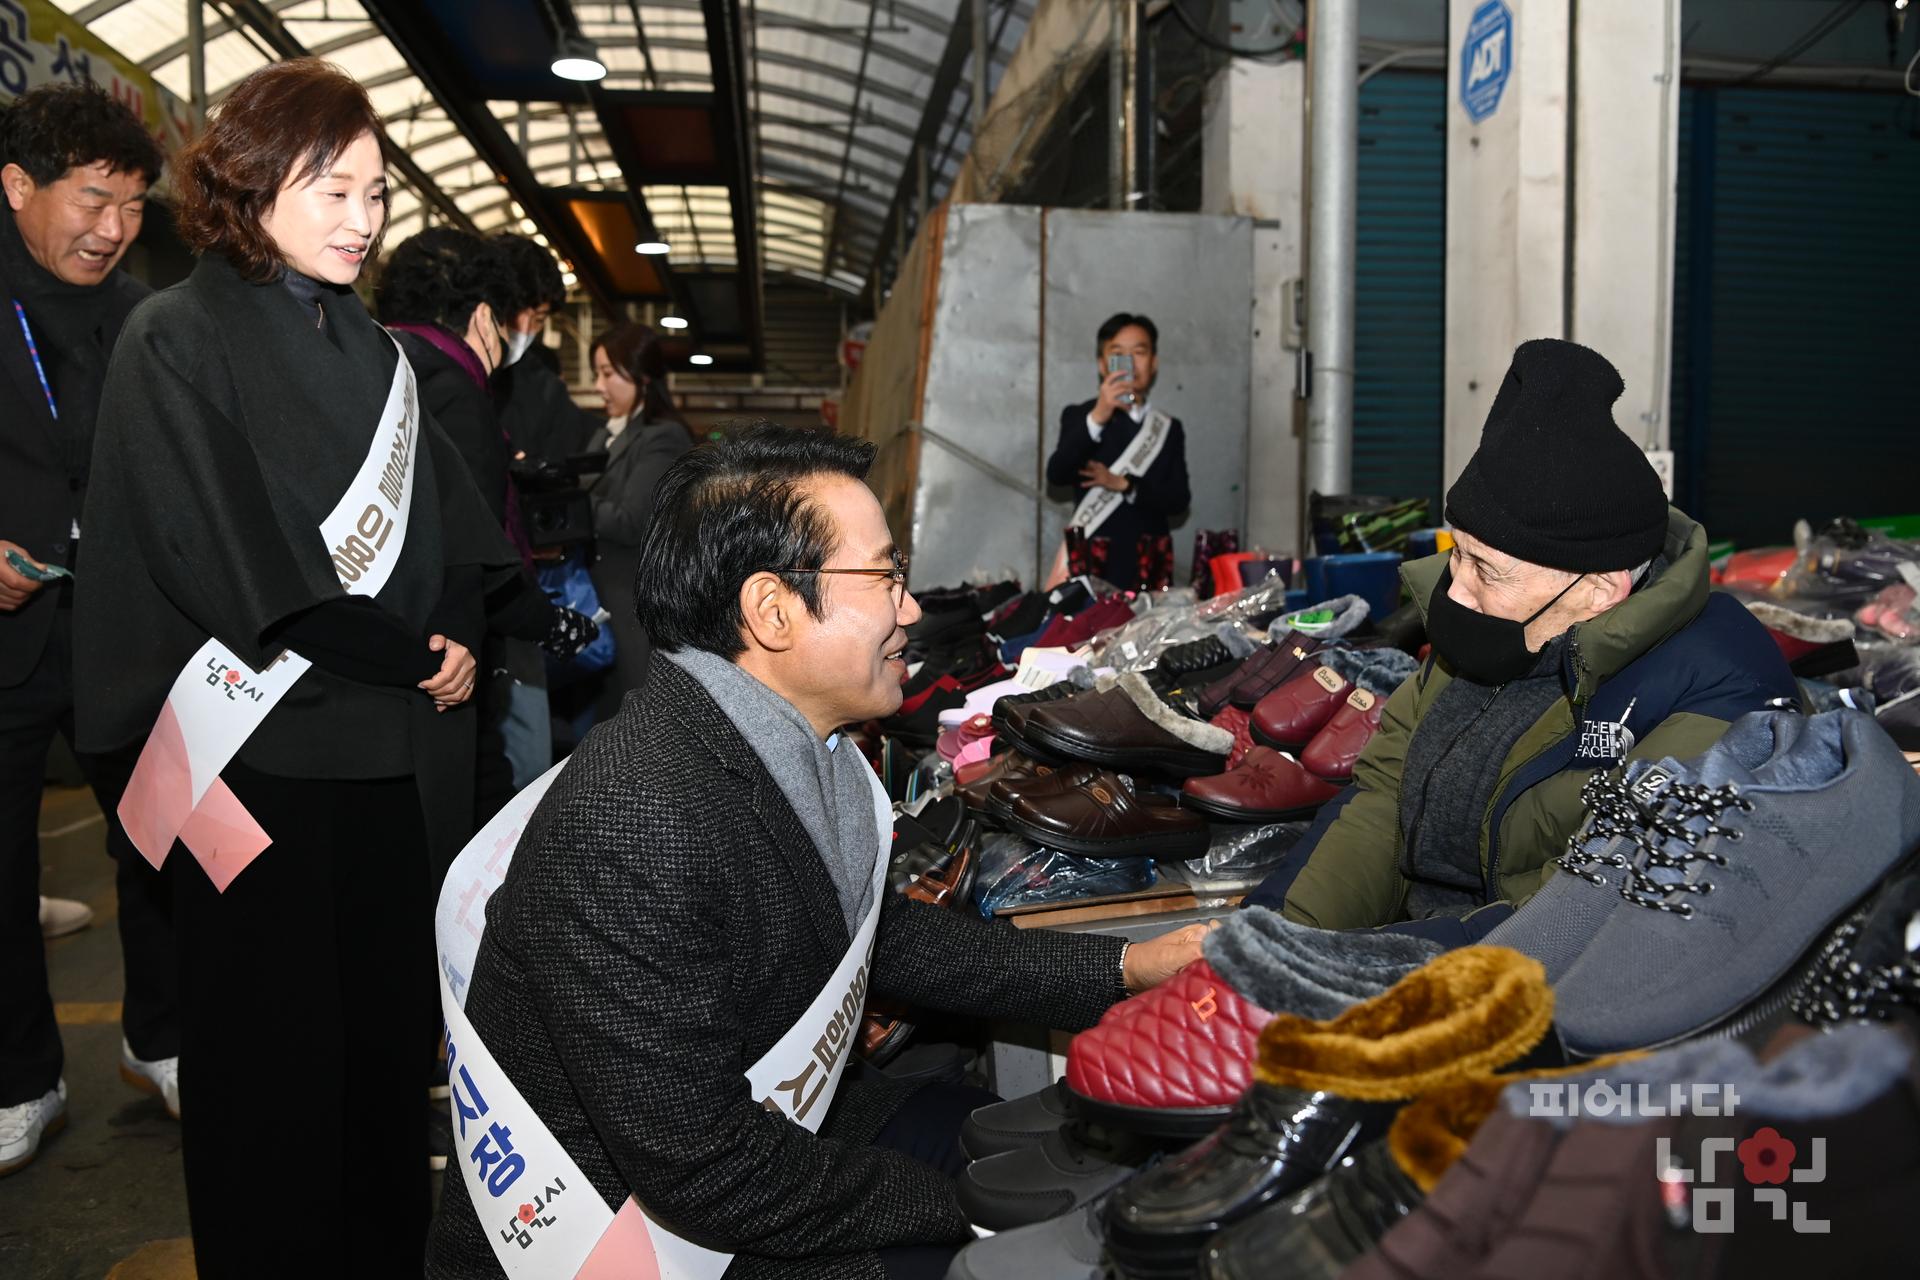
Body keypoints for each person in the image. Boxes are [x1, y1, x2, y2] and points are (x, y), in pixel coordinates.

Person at [425, 425, 1211, 1279]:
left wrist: (1131, 967)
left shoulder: (804, 746)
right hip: (627, 1236)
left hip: (755, 1137)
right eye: (884, 577)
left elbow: (885, 940)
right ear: (771, 611)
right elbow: (710, 1172)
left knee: (1024, 1139)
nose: (910, 609)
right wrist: (967, 1213)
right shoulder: (634, 818)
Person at [73, 61, 521, 1273]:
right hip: (249, 763)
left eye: (374, 190)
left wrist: (462, 630)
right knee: (266, 1070)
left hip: (384, 758)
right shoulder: (176, 335)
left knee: (379, 1059)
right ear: (253, 182)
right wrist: (409, 648)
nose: (362, 216)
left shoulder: (373, 346)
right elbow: (224, 555)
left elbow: (446, 534)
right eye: (332, 187)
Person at [1243, 339, 1798, 942]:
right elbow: (1384, 800)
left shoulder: (1719, 700)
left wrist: (1342, 972)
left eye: (1488, 570)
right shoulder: (1497, 632)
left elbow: (1587, 914)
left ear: (1598, 591)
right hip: (1426, 959)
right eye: (1458, 555)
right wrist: (1268, 939)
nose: (1455, 593)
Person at [0, 82, 178, 1177]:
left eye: (133, 207)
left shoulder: (147, 314)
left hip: (129, 632)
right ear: (16, 185)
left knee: (160, 841)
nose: (113, 230)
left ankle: (159, 1037)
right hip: (6, 637)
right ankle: (20, 1080)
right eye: (93, 199)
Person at [375, 226, 598, 821]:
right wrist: (546, 620)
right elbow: (468, 547)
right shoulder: (457, 389)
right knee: (485, 806)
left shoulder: (381, 368)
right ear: (480, 315)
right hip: (452, 657)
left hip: (386, 647)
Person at [585, 321, 696, 718]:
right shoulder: (606, 436)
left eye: (608, 374)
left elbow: (633, 521)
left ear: (643, 376)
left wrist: (571, 502)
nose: (599, 386)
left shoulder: (662, 438)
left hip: (634, 608)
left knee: (635, 721)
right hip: (599, 601)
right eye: (597, 373)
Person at [1044, 312, 1192, 591]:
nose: (1131, 362)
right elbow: (1057, 474)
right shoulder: (1080, 416)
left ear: (1154, 363)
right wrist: (1099, 415)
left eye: (1139, 352)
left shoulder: (1168, 428)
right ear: (1102, 364)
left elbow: (1179, 500)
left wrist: (1124, 484)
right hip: (1094, 566)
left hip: (1150, 567)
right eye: (1118, 353)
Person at [490, 232, 598, 465]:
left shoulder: (545, 392)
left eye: (538, 319)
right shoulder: (446, 372)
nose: (524, 329)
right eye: (513, 313)